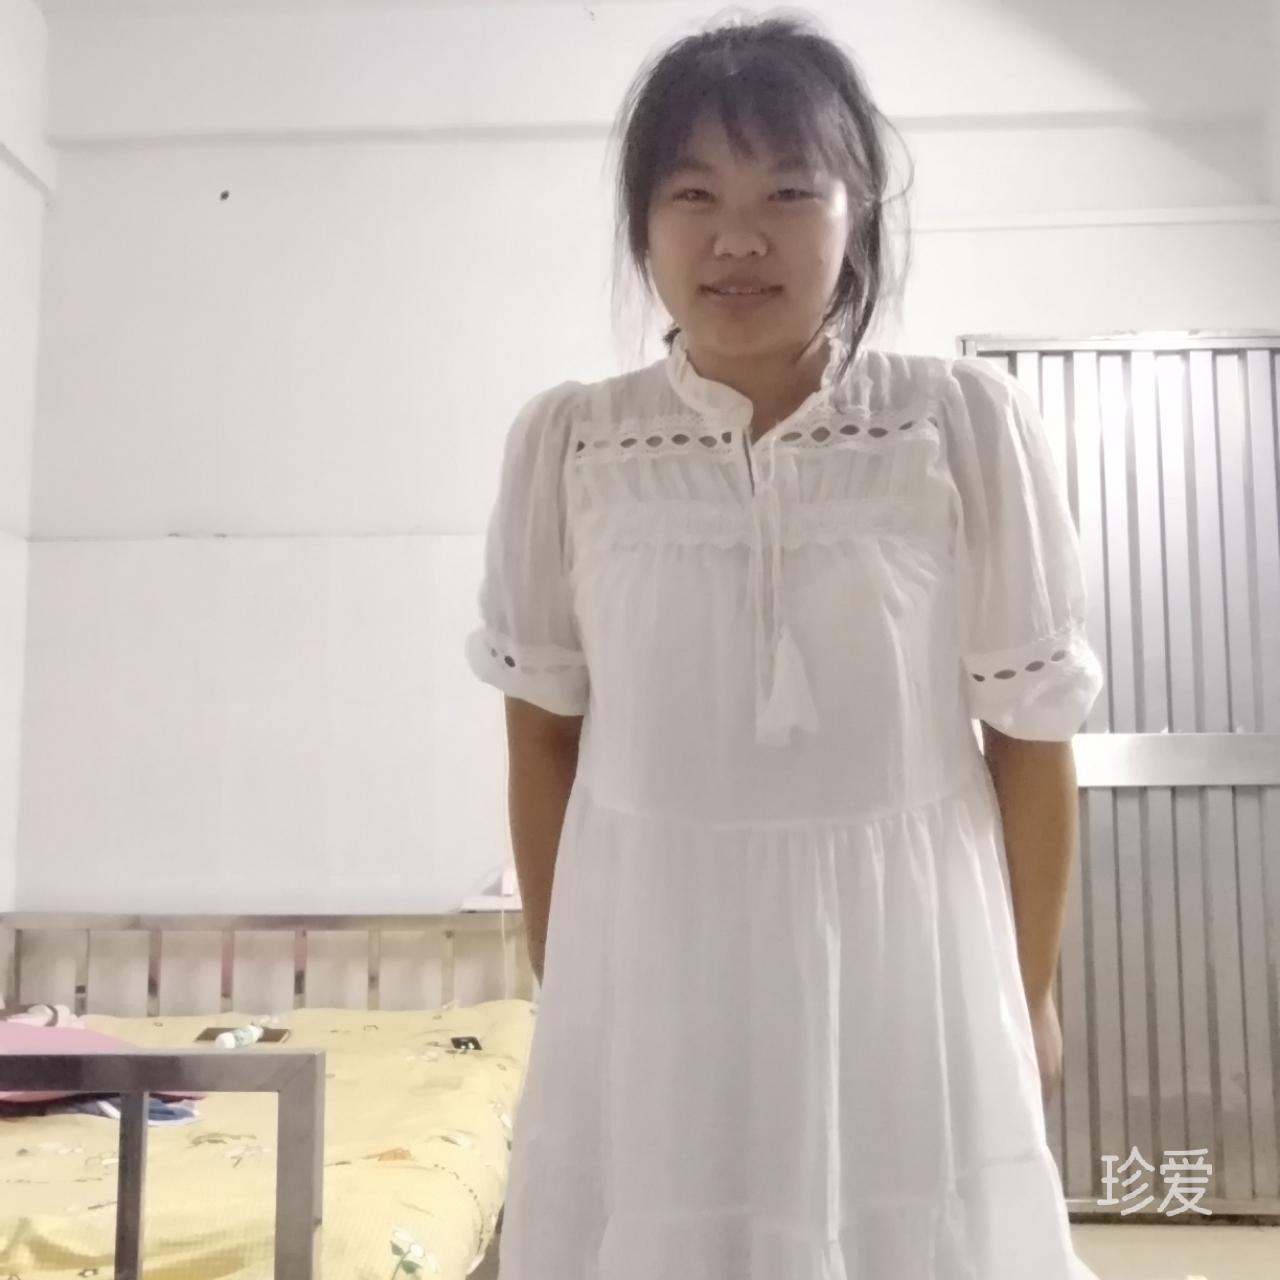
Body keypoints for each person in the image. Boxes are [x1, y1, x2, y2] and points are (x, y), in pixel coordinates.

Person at [466, 12, 1105, 1279]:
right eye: (692, 194)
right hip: (656, 962)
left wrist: (1024, 990)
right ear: (642, 225)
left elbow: (1029, 739)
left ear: (854, 213)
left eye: (788, 192)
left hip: (904, 960)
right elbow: (541, 737)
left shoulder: (956, 425)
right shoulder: (571, 445)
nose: (737, 237)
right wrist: (571, 974)